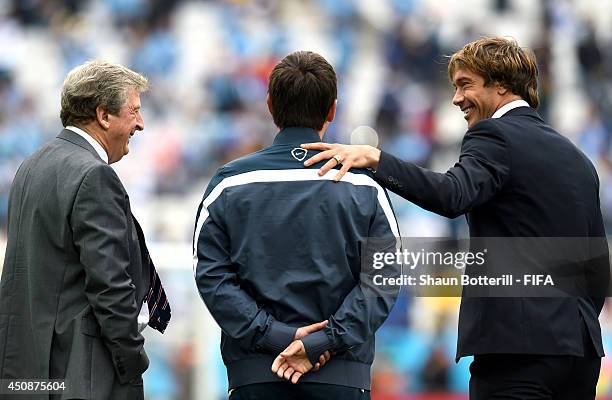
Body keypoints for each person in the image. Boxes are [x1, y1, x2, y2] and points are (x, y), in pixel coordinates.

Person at [301, 37, 610, 399]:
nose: (456, 98)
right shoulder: (578, 159)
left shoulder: (493, 134)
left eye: (466, 84)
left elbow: (453, 194)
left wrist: (376, 159)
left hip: (517, 352)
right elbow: (597, 267)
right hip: (580, 353)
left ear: (502, 85)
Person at [193, 51, 400, 400]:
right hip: (342, 378)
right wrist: (323, 341)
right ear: (332, 110)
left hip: (256, 375)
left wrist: (275, 335)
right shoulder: (365, 187)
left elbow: (212, 276)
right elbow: (382, 281)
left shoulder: (228, 183)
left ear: (270, 106)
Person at [0, 60, 170, 400]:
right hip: (81, 376)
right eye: (133, 111)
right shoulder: (95, 175)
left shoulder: (31, 165)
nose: (141, 123)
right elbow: (111, 288)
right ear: (104, 115)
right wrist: (132, 361)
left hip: (31, 375)